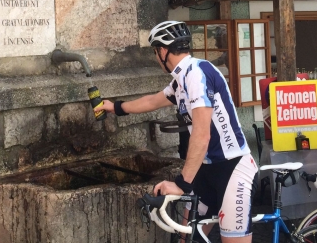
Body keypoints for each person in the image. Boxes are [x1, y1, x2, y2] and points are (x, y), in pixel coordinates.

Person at [103, 21, 257, 242]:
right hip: (206, 169)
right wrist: (116, 108)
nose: (157, 58)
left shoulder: (197, 73)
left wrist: (181, 184)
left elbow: (202, 135)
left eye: (156, 52)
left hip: (232, 168)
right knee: (187, 238)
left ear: (163, 51)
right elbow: (152, 101)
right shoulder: (180, 81)